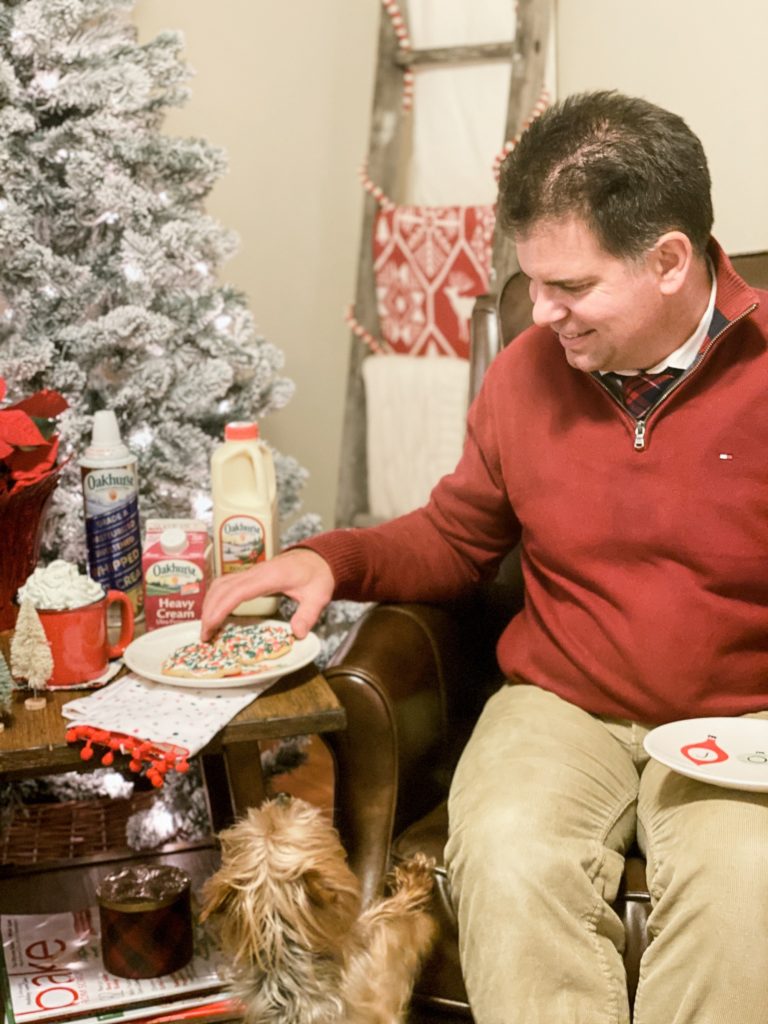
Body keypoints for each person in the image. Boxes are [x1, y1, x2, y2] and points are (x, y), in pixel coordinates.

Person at [201, 91, 768, 1024]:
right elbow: (457, 537)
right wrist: (329, 562)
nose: (539, 313)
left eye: (572, 288)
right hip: (561, 703)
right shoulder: (528, 374)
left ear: (670, 260)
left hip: (737, 720)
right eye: (531, 282)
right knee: (505, 849)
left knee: (744, 889)